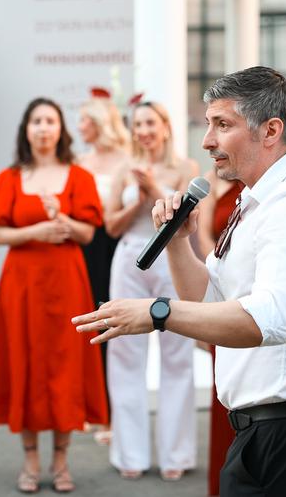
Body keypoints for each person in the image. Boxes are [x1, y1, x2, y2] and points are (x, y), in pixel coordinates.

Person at [74, 67, 286, 497]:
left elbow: (270, 320)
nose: (207, 141)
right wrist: (177, 242)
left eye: (222, 125)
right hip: (266, 429)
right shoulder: (258, 197)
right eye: (209, 124)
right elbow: (210, 299)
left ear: (271, 131)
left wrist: (158, 313)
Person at [0, 97, 107, 494]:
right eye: (36, 121)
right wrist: (36, 231)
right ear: (26, 129)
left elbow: (87, 233)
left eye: (50, 121)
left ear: (60, 129)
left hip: (66, 281)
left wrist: (63, 219)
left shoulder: (79, 176)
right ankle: (31, 457)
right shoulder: (10, 177)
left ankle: (62, 458)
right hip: (22, 283)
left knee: (65, 362)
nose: (43, 128)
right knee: (26, 360)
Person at [103, 101, 197, 482]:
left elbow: (186, 218)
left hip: (171, 258)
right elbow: (111, 226)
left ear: (165, 126)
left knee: (178, 354)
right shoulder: (123, 168)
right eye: (137, 124)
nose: (143, 131)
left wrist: (154, 189)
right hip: (129, 258)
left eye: (149, 123)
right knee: (125, 353)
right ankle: (130, 453)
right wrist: (138, 200)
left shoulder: (186, 168)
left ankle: (177, 452)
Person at [76, 94, 130, 445]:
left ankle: (112, 414)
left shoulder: (126, 159)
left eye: (84, 119)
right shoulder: (80, 162)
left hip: (116, 246)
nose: (79, 126)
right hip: (86, 247)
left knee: (114, 325)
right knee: (89, 323)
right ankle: (91, 408)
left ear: (99, 123)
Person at [194, 168, 242, 497]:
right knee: (223, 389)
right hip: (224, 289)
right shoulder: (212, 182)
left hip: (258, 291)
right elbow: (204, 240)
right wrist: (226, 277)